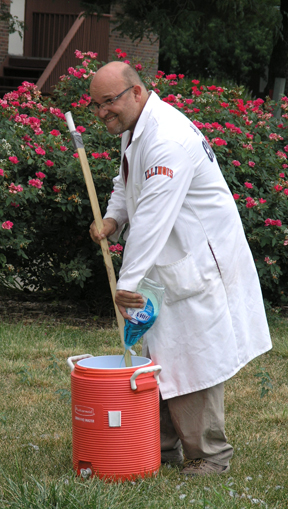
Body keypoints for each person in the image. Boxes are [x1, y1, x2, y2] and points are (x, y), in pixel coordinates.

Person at [89, 61, 272, 476]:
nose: (102, 112)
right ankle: (162, 446)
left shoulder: (167, 138)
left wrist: (127, 282)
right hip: (169, 262)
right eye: (96, 105)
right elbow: (127, 181)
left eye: (109, 101)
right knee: (160, 356)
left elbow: (154, 218)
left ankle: (211, 456)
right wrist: (114, 219)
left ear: (136, 92)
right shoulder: (136, 127)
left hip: (198, 261)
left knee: (193, 359)